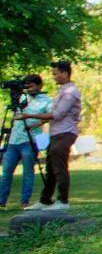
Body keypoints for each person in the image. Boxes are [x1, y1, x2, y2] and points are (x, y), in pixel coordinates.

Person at [26, 61, 81, 210]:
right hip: (56, 133)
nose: (54, 77)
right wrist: (36, 124)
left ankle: (63, 201)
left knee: (59, 167)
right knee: (50, 167)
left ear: (64, 74)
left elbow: (58, 114)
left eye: (55, 74)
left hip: (65, 132)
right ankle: (45, 200)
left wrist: (28, 115)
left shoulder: (71, 92)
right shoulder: (63, 90)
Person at [1, 75, 50, 209]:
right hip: (14, 139)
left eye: (31, 86)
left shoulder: (46, 100)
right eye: (26, 86)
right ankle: (1, 200)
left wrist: (36, 122)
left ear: (40, 86)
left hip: (30, 140)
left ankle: (25, 201)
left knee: (28, 172)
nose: (28, 89)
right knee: (6, 172)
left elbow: (51, 115)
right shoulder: (21, 98)